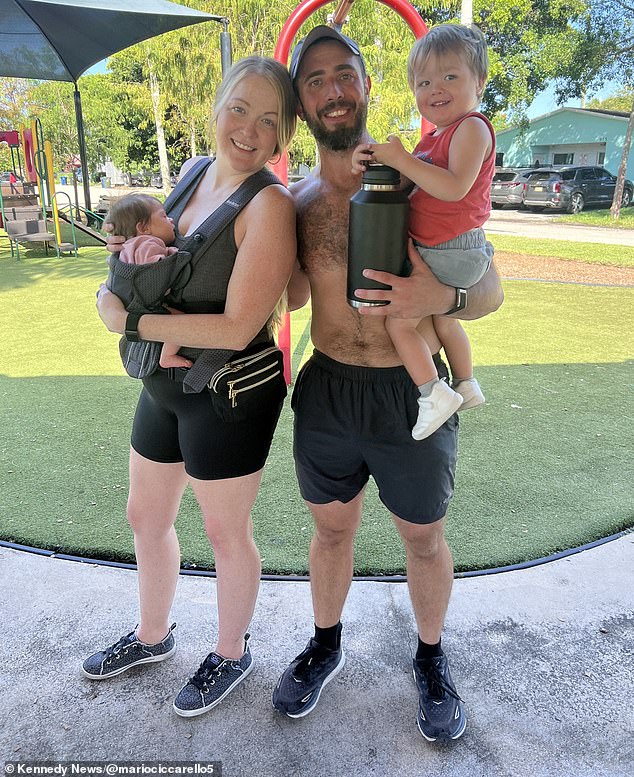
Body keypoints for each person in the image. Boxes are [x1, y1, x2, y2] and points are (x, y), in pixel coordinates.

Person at [272, 26, 503, 742]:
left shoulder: (419, 173)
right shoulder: (294, 200)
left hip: (412, 390)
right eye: (315, 80)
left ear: (368, 86)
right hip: (329, 389)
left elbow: (489, 288)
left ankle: (431, 658)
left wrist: (439, 298)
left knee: (424, 538)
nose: (333, 89)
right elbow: (289, 295)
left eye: (345, 73)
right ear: (301, 102)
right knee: (331, 528)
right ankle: (325, 644)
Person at [84, 55, 297, 718]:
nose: (249, 130)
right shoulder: (193, 172)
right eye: (240, 109)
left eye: (270, 120)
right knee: (145, 516)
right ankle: (153, 636)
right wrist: (110, 290)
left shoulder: (270, 206)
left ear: (285, 133)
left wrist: (131, 321)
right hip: (163, 384)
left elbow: (238, 325)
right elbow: (143, 256)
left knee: (225, 532)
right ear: (217, 108)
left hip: (229, 392)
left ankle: (232, 651)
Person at [351, 23, 494, 440]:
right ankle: (466, 383)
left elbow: (453, 187)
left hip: (448, 249)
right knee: (444, 321)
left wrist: (403, 160)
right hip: (449, 249)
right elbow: (411, 184)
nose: (436, 88)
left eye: (450, 76)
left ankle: (433, 392)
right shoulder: (435, 138)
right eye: (424, 82)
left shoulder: (471, 127)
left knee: (399, 324)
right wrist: (379, 162)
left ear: (479, 82)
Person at [105, 193, 192, 370]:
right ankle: (167, 356)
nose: (172, 220)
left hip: (130, 300)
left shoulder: (129, 244)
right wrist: (172, 253)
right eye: (164, 216)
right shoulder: (148, 244)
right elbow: (154, 269)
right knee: (180, 322)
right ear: (143, 228)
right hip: (142, 303)